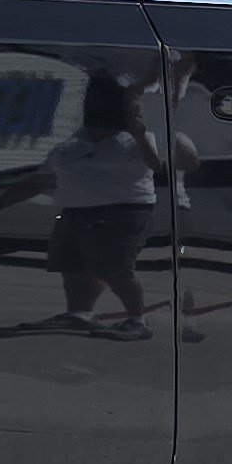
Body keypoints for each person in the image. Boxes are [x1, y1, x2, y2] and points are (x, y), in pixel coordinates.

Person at [31, 76, 164, 339]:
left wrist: (139, 135)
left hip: (120, 212)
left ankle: (137, 321)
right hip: (75, 210)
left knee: (114, 268)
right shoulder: (76, 140)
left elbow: (156, 166)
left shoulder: (137, 139)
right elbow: (50, 174)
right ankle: (78, 315)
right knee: (74, 266)